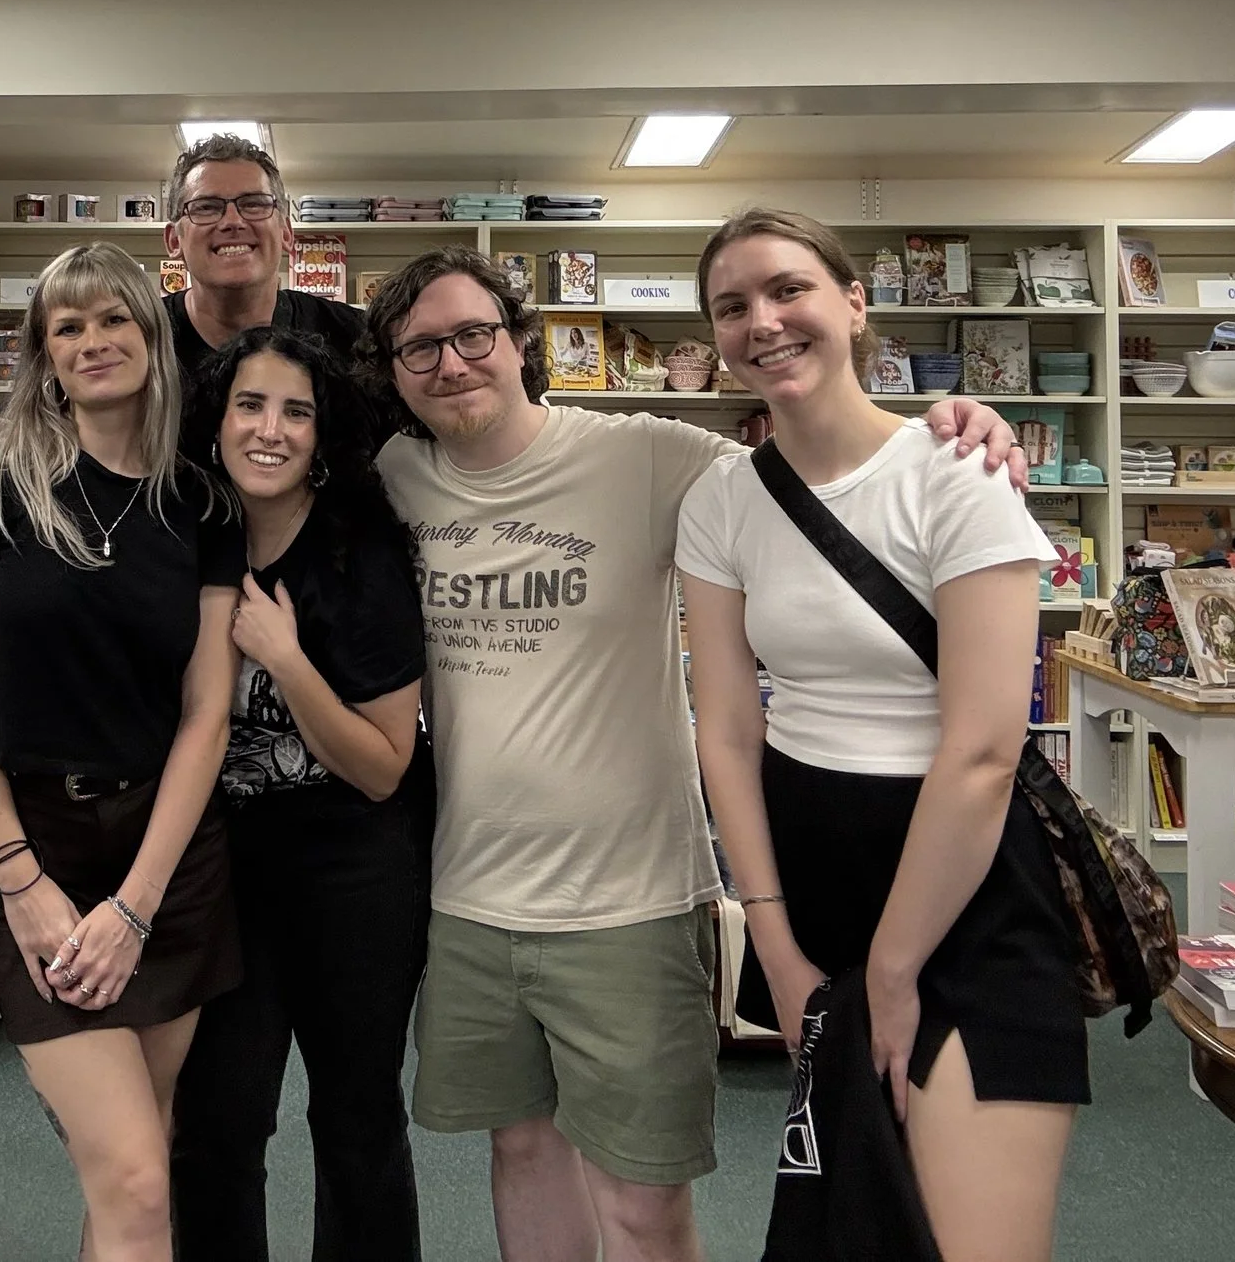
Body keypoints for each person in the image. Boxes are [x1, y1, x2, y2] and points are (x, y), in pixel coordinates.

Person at [358, 246, 1023, 1262]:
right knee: (521, 1154)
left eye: (472, 335)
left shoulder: (647, 456)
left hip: (626, 904)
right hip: (466, 903)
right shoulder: (394, 477)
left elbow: (821, 467)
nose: (450, 364)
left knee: (638, 1203)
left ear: (519, 342)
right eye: (418, 348)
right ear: (393, 371)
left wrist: (949, 432)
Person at [674, 210, 1082, 1262]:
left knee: (972, 1240)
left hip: (967, 882)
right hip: (814, 881)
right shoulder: (723, 496)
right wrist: (769, 938)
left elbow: (985, 748)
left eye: (786, 289)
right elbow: (724, 731)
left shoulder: (956, 472)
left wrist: (894, 970)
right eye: (731, 306)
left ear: (855, 304)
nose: (761, 322)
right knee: (850, 1217)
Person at [0, 241, 245, 1262]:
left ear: (152, 338)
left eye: (114, 318)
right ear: (42, 356)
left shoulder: (202, 503)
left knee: (135, 1170)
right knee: (136, 1176)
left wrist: (140, 903)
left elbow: (206, 714)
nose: (94, 340)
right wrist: (20, 878)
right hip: (35, 845)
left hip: (168, 856)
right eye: (68, 326)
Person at [171, 327, 432, 1262]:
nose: (270, 429)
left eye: (296, 410)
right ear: (216, 417)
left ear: (324, 435)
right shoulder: (186, 530)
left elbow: (383, 764)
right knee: (216, 1122)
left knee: (356, 1114)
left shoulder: (360, 548)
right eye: (250, 404)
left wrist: (284, 658)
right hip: (220, 868)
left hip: (350, 867)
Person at [162, 133, 366, 389]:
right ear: (174, 241)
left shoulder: (359, 341)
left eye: (254, 204)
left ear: (286, 233)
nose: (232, 222)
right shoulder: (138, 341)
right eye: (206, 207)